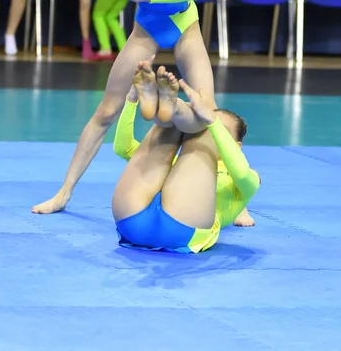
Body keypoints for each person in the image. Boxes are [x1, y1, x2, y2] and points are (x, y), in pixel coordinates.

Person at [32, 0, 216, 215]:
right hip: (146, 30)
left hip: (184, 24)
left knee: (209, 109)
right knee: (105, 111)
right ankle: (64, 192)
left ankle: (234, 196)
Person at [111, 62, 260, 252]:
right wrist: (132, 100)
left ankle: (175, 109)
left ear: (237, 147)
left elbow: (242, 172)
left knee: (202, 129)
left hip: (182, 227)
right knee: (171, 124)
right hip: (133, 218)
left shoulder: (245, 180)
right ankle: (168, 108)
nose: (210, 125)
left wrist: (210, 122)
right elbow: (123, 148)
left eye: (221, 129)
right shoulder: (178, 166)